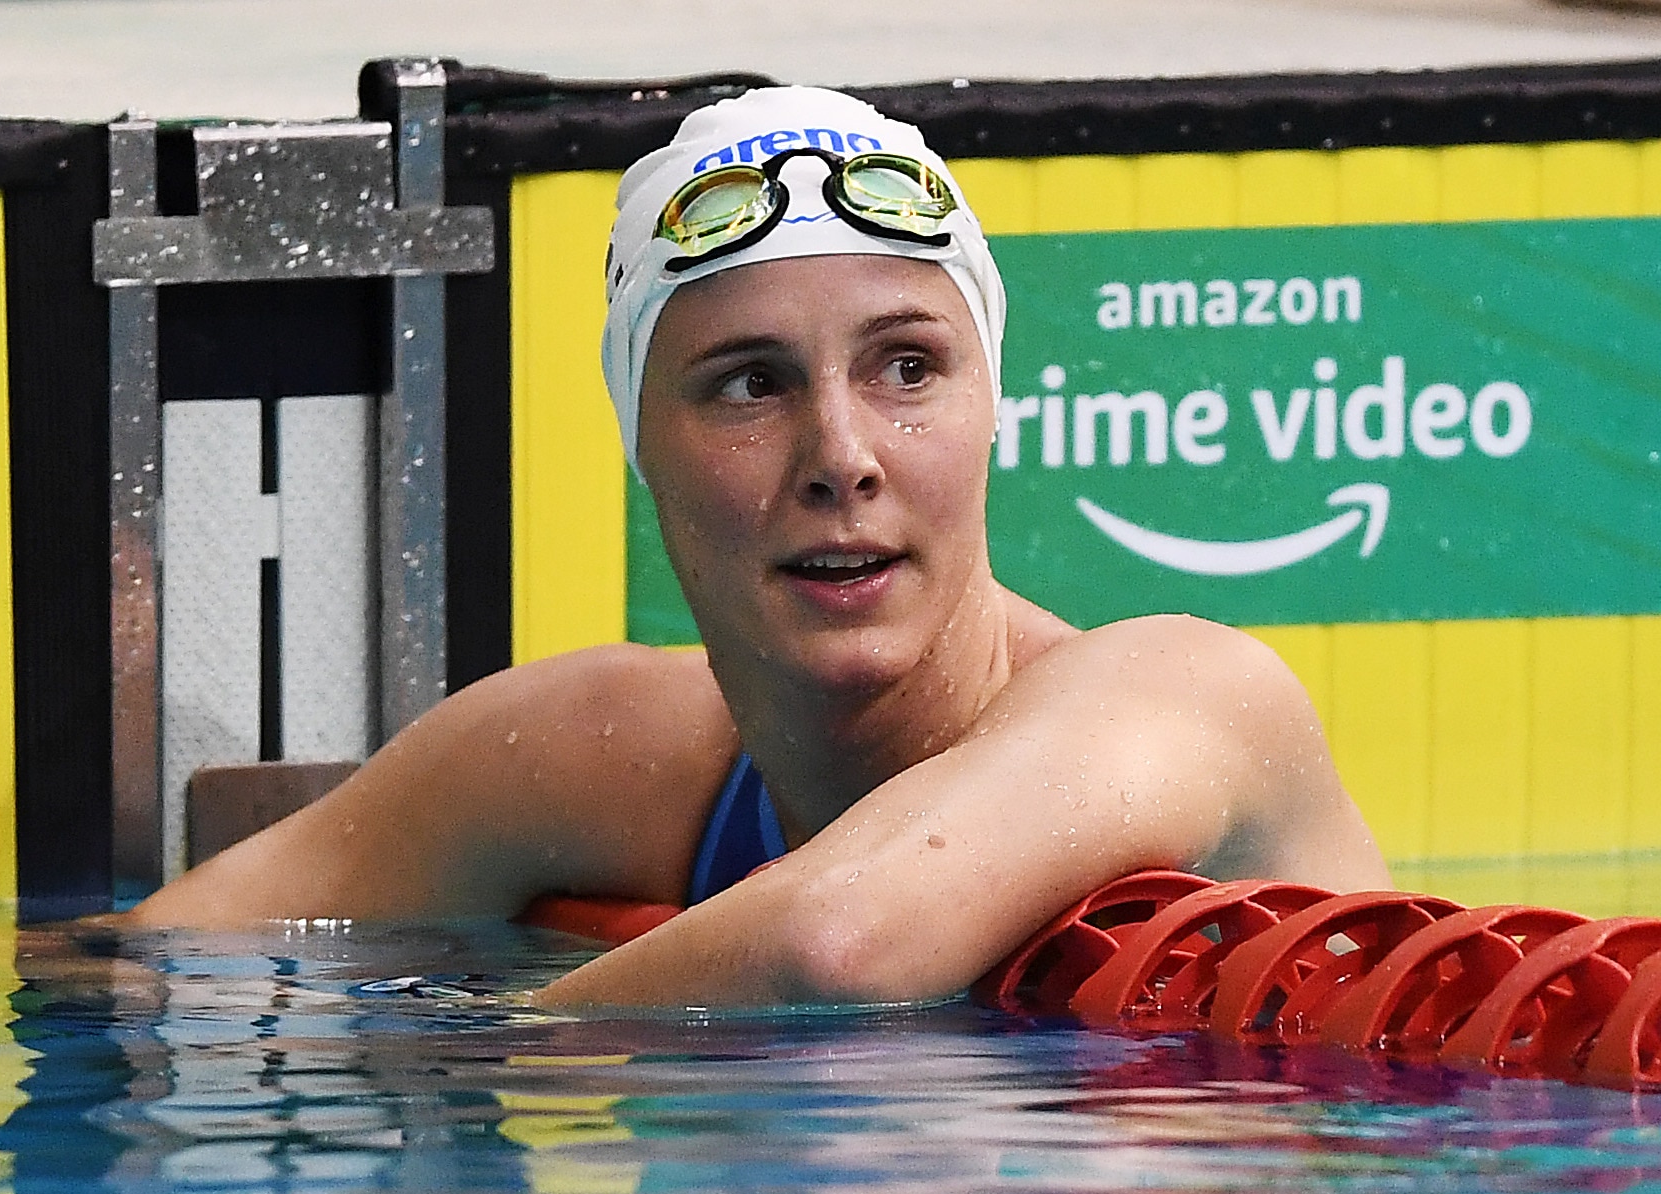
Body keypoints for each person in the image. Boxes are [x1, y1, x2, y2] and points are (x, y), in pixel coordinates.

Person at [125, 87, 1391, 1006]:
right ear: (642, 448)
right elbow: (149, 966)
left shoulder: (1188, 697)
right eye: (746, 385)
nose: (840, 453)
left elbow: (839, 943)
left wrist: (492, 1045)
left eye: (906, 367)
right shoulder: (603, 751)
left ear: (990, 408)